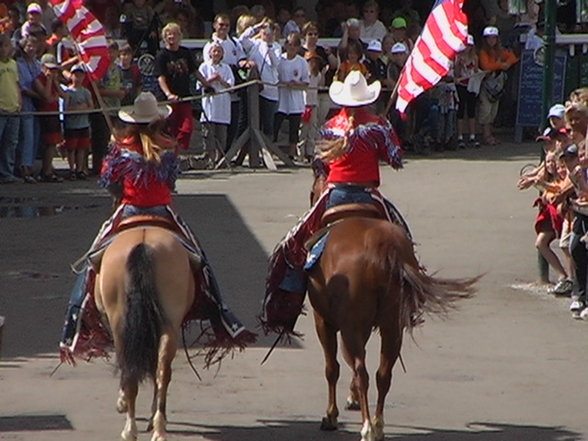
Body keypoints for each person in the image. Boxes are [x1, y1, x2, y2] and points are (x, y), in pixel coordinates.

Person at [60, 91, 253, 358]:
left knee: (91, 263)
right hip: (163, 211)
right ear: (157, 120)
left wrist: (118, 159)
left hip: (128, 211)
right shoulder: (168, 146)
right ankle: (221, 312)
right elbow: (170, 183)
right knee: (202, 260)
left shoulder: (121, 147)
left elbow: (109, 183)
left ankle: (73, 325)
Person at [261, 71, 406, 335]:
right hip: (368, 195)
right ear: (366, 99)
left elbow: (319, 165)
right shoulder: (378, 126)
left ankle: (289, 301)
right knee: (402, 235)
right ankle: (409, 292)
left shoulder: (330, 126)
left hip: (335, 195)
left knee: (294, 245)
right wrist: (386, 132)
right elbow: (396, 159)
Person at [155, 22, 201, 152]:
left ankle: (177, 153)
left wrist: (207, 84)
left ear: (180, 36)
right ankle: (172, 158)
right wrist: (168, 93)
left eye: (174, 34)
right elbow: (160, 77)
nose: (171, 37)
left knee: (187, 128)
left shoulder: (185, 53)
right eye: (169, 34)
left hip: (184, 96)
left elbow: (195, 71)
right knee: (170, 130)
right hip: (168, 99)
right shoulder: (162, 55)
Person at [478, 26, 518, 146]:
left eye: (494, 38)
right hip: (486, 83)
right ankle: (486, 136)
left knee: (493, 111)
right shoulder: (482, 51)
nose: (491, 41)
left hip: (497, 85)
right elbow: (486, 66)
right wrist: (501, 65)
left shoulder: (500, 51)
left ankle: (490, 134)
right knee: (486, 109)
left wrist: (506, 63)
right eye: (489, 38)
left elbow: (513, 58)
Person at [198, 43, 235, 168]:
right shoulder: (204, 67)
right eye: (214, 51)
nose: (216, 54)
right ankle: (209, 159)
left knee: (221, 136)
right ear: (210, 53)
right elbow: (199, 85)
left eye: (219, 51)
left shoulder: (226, 68)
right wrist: (211, 79)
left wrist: (220, 80)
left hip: (223, 106)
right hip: (209, 106)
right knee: (209, 136)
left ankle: (221, 160)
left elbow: (231, 87)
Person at [275, 32, 309, 160]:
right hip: (281, 98)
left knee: (294, 128)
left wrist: (296, 84)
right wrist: (283, 83)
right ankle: (272, 150)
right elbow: (275, 79)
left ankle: (291, 153)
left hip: (295, 100)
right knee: (276, 124)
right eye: (289, 44)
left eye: (295, 45)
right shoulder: (280, 59)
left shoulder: (302, 62)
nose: (292, 47)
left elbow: (306, 82)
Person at [34, 53, 64, 182]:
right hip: (45, 114)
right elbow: (46, 97)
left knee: (53, 143)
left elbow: (63, 95)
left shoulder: (54, 81)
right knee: (49, 143)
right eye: (49, 69)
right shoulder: (38, 80)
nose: (51, 72)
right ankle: (45, 170)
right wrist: (49, 81)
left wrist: (55, 82)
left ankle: (48, 169)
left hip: (54, 113)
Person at [16, 34, 42, 183]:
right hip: (26, 104)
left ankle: (31, 165)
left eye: (34, 45)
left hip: (38, 106)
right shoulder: (19, 64)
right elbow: (23, 87)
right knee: (27, 136)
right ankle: (24, 167)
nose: (31, 48)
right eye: (28, 46)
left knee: (36, 135)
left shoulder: (38, 64)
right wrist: (39, 96)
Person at [63, 64, 93, 179]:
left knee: (82, 148)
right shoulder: (68, 92)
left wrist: (84, 108)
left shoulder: (86, 92)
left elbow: (91, 107)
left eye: (80, 75)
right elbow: (66, 108)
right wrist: (79, 108)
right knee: (71, 148)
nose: (78, 78)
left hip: (83, 124)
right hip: (72, 125)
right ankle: (71, 169)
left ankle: (79, 169)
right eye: (76, 75)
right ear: (71, 76)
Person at [0, 33, 21, 184]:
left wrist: (19, 102)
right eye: (1, 46)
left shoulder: (13, 64)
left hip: (13, 108)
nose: (3, 49)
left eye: (6, 46)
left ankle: (7, 172)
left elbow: (16, 84)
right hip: (1, 109)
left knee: (10, 143)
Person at [455, 34, 481, 149]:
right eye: (466, 45)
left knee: (471, 110)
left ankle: (472, 135)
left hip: (471, 85)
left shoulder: (475, 57)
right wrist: (459, 65)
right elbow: (457, 74)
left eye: (470, 45)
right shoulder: (458, 57)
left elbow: (476, 71)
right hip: (461, 85)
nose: (468, 48)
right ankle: (460, 136)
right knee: (460, 110)